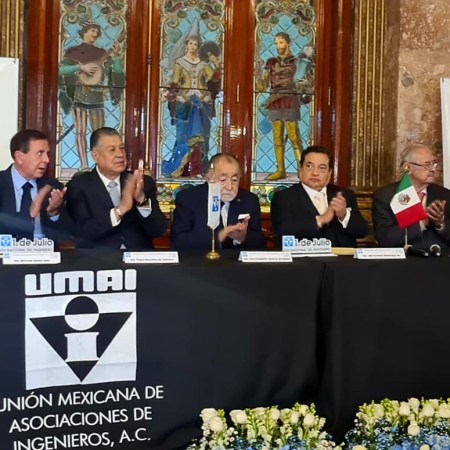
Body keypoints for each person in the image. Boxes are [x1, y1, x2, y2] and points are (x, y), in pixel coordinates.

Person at [64, 127, 167, 249]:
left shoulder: (141, 182)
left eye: (122, 148)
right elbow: (82, 232)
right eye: (112, 150)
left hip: (137, 257)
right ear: (95, 156)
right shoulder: (79, 185)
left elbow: (159, 230)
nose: (120, 154)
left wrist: (141, 200)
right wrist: (119, 211)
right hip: (99, 258)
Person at [271, 145, 368, 247]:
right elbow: (283, 230)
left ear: (330, 172)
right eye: (309, 167)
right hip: (305, 256)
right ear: (300, 169)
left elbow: (361, 231)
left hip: (342, 256)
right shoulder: (284, 197)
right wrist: (321, 220)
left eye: (322, 168)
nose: (315, 173)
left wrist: (344, 215)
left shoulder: (344, 195)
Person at [59, 21, 124, 170]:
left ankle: (99, 165)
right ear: (84, 32)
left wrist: (117, 57)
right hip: (79, 94)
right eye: (92, 31)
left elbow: (117, 71)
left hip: (96, 95)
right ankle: (83, 165)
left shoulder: (101, 53)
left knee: (99, 134)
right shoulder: (73, 51)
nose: (95, 34)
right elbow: (61, 70)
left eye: (97, 31)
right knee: (80, 131)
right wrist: (80, 67)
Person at [161, 20, 220, 179]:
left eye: (196, 44)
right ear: (186, 44)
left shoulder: (203, 63)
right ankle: (182, 169)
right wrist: (169, 94)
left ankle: (198, 169)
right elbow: (175, 82)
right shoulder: (180, 62)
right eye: (191, 43)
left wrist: (216, 64)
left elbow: (213, 78)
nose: (193, 46)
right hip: (184, 101)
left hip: (202, 102)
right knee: (183, 135)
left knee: (202, 137)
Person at [171, 153, 266, 250]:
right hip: (200, 259)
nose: (229, 187)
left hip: (236, 259)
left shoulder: (249, 200)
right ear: (208, 179)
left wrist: (241, 238)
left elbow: (260, 243)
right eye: (223, 180)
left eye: (234, 180)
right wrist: (218, 237)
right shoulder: (188, 199)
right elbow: (178, 241)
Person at [255, 32, 313, 181]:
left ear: (288, 43)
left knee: (294, 136)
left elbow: (305, 81)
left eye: (280, 42)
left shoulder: (296, 62)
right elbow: (262, 86)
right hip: (274, 101)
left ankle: (302, 170)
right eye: (276, 43)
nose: (278, 46)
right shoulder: (271, 62)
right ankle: (280, 170)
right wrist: (258, 72)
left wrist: (304, 84)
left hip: (290, 99)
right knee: (277, 137)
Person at [372, 143, 450, 250]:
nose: (433, 169)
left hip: (438, 257)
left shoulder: (445, 195)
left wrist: (440, 224)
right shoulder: (385, 196)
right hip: (405, 258)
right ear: (407, 167)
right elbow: (385, 239)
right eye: (427, 165)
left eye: (434, 164)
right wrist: (423, 222)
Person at [0, 129, 67, 240]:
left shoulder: (53, 187)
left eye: (47, 154)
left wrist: (53, 213)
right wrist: (29, 214)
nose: (46, 160)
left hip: (45, 250)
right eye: (40, 153)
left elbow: (66, 234)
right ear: (19, 157)